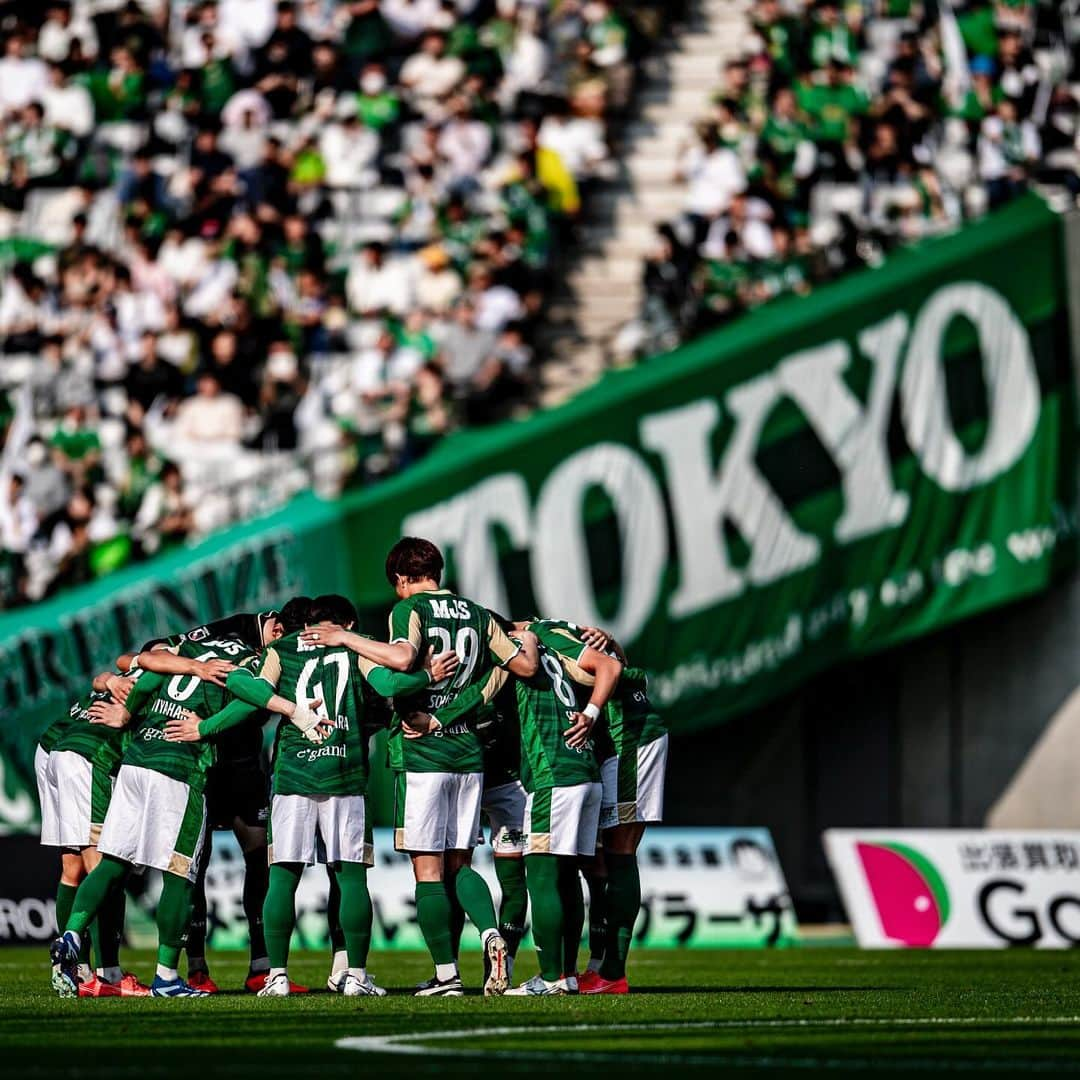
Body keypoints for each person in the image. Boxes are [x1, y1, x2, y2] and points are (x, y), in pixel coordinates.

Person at [299, 537, 538, 995]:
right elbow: (522, 667)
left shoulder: (410, 611)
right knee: (461, 863)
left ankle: (448, 975)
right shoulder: (478, 613)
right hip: (468, 751)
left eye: (398, 586)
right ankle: (492, 936)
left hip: (422, 749)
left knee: (428, 872)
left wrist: (345, 636)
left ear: (404, 579)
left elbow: (404, 658)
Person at [187, 593, 459, 997]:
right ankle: (356, 976)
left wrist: (211, 726)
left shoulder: (279, 650)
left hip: (293, 773)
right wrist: (426, 675)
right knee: (351, 878)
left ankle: (275, 975)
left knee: (282, 877)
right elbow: (387, 683)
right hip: (344, 772)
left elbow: (244, 687)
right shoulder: (354, 647)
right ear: (342, 624)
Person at [49, 634, 264, 997]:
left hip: (134, 764)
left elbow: (146, 670)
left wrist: (128, 711)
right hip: (179, 770)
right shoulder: (248, 662)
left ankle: (71, 935)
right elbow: (249, 701)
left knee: (112, 863)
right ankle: (167, 977)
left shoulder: (187, 652)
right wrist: (205, 728)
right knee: (180, 875)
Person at [131, 609, 285, 993]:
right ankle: (197, 965)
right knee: (193, 866)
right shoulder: (233, 634)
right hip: (206, 764)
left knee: (259, 859)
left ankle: (260, 964)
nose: (281, 638)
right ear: (270, 623)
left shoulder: (272, 654)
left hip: (244, 766)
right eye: (279, 630)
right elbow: (155, 650)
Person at [35, 669, 143, 996]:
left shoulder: (133, 670)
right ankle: (107, 974)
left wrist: (110, 680)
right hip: (87, 758)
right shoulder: (164, 681)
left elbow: (103, 675)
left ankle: (77, 970)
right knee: (105, 869)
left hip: (51, 749)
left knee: (73, 869)